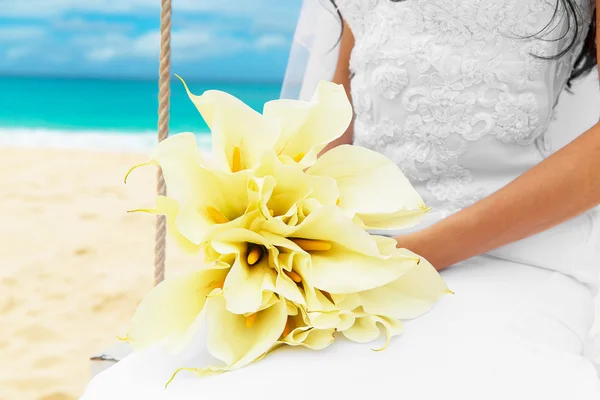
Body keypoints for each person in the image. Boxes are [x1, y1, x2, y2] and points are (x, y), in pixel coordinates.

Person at [82, 0, 600, 398]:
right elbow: (342, 105)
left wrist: (415, 254)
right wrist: (288, 229)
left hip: (509, 251)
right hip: (349, 254)